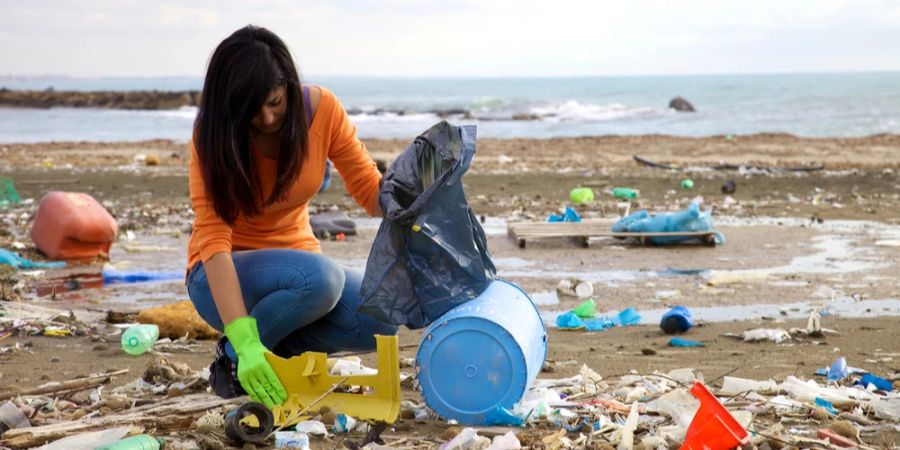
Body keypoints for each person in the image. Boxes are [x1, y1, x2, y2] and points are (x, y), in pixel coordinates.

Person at [185, 25, 397, 408]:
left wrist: (415, 192)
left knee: (382, 318)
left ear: (288, 85)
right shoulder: (212, 135)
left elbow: (370, 190)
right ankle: (235, 361)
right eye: (252, 109)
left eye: (275, 102)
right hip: (222, 276)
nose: (267, 118)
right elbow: (213, 239)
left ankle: (274, 355)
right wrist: (244, 342)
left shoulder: (321, 110)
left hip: (300, 273)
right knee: (322, 280)